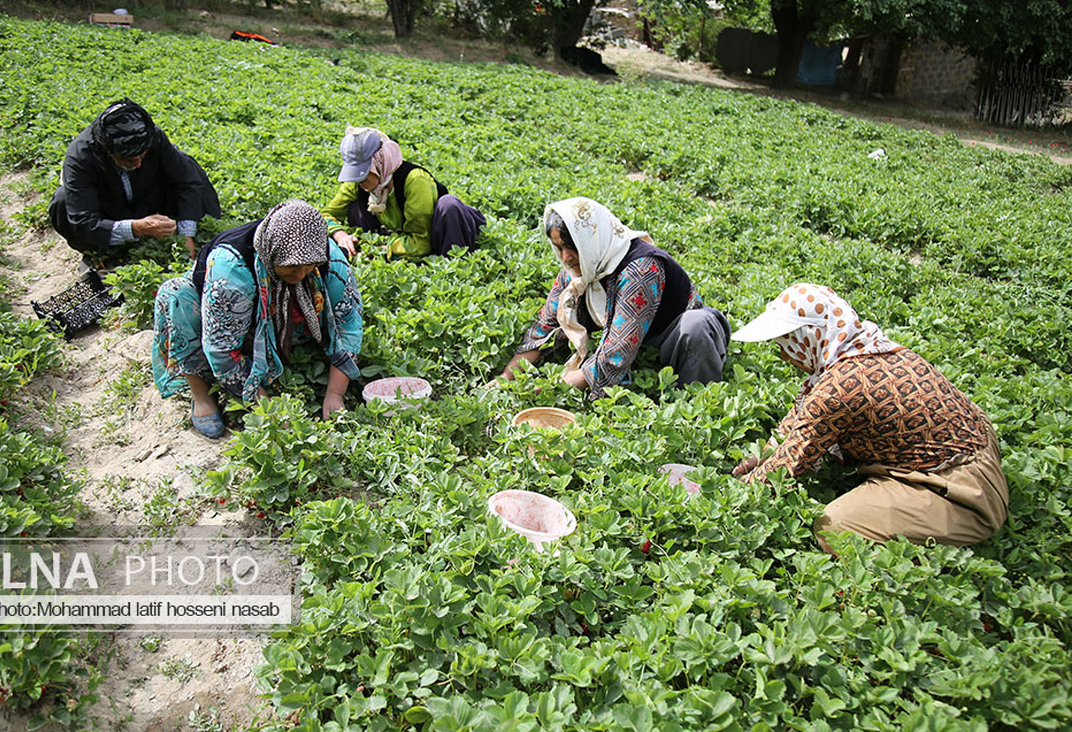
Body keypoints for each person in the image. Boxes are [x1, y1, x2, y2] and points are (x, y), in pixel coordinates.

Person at [730, 283, 1008, 552]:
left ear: (809, 337)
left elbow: (789, 465)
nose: (783, 356)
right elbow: (799, 423)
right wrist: (762, 455)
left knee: (835, 526)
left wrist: (733, 493)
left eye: (785, 344)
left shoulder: (836, 390)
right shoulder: (868, 348)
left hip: (962, 493)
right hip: (976, 449)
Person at [152, 200, 363, 438]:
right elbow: (221, 350)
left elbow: (349, 323)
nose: (301, 274)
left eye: (309, 267)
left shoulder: (326, 255)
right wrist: (269, 412)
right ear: (270, 256)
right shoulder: (231, 268)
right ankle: (201, 394)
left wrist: (335, 394)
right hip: (229, 322)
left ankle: (277, 351)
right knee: (175, 294)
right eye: (292, 268)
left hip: (278, 317)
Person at [495, 197, 730, 399]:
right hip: (640, 343)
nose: (565, 257)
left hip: (673, 337)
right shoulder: (582, 267)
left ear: (590, 240)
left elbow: (616, 354)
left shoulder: (641, 269)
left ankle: (696, 406)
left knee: (695, 326)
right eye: (559, 248)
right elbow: (545, 327)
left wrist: (549, 389)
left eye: (571, 247)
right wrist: (506, 378)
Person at [49, 99, 221, 261]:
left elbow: (187, 180)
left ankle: (207, 237)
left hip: (148, 200)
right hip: (110, 212)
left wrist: (187, 234)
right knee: (62, 201)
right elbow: (83, 221)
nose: (138, 164)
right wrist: (136, 228)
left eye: (142, 156)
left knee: (188, 166)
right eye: (129, 159)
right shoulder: (81, 157)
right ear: (109, 151)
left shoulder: (152, 137)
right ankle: (100, 254)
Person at [323, 126, 486, 259]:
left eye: (364, 173)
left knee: (448, 205)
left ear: (379, 163)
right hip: (400, 236)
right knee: (355, 206)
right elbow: (324, 216)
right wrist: (340, 235)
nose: (359, 181)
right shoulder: (358, 182)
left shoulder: (415, 181)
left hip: (440, 235)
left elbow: (422, 242)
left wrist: (385, 249)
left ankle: (451, 264)